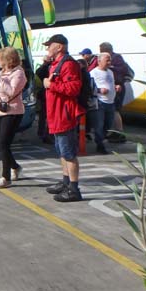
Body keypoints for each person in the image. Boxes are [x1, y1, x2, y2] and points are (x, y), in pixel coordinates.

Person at [42, 34, 84, 202]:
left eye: (49, 45)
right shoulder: (56, 64)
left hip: (63, 114)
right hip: (56, 114)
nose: (47, 48)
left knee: (68, 153)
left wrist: (51, 85)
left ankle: (74, 189)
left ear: (59, 47)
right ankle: (66, 182)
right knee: (61, 151)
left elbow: (74, 88)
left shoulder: (69, 64)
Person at [0, 47, 27, 188]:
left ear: (7, 60)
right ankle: (15, 166)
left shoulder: (19, 73)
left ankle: (5, 177)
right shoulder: (2, 72)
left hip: (12, 112)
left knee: (4, 143)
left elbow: (11, 91)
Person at [99, 42, 128, 143]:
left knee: (115, 110)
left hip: (117, 87)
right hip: (115, 87)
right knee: (114, 110)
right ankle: (115, 131)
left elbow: (122, 70)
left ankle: (119, 132)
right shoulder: (116, 58)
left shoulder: (116, 58)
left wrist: (110, 66)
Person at [90, 53, 115, 155]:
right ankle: (100, 145)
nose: (109, 62)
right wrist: (99, 90)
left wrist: (116, 87)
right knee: (99, 125)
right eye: (107, 60)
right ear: (99, 61)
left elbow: (111, 84)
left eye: (110, 60)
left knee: (108, 124)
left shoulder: (110, 72)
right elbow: (89, 87)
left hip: (111, 102)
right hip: (100, 102)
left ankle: (101, 140)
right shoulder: (93, 73)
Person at [35, 57, 54, 144]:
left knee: (43, 116)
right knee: (48, 116)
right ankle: (47, 135)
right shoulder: (50, 69)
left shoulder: (39, 69)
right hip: (47, 94)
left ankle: (41, 133)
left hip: (42, 95)